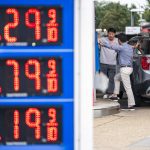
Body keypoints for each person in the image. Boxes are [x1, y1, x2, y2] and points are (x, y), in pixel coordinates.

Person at [99, 33, 136, 110]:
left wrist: (103, 44)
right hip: (129, 69)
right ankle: (115, 95)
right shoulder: (129, 47)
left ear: (119, 40)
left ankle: (131, 105)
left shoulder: (122, 47)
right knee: (116, 78)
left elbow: (112, 46)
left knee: (128, 87)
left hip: (124, 69)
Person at [98, 28, 118, 99]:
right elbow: (97, 40)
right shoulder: (103, 39)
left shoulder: (117, 41)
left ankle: (110, 93)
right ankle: (105, 92)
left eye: (112, 34)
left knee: (111, 79)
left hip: (113, 63)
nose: (111, 35)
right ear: (108, 34)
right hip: (103, 62)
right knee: (104, 79)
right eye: (109, 34)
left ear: (114, 34)